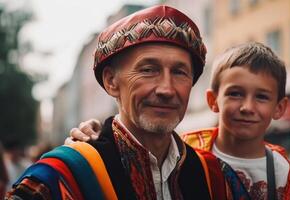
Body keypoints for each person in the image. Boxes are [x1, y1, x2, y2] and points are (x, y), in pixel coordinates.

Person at [6, 5, 249, 200]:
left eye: (180, 72)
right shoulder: (63, 175)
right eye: (148, 70)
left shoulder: (217, 176)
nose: (166, 89)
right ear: (112, 81)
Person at [71, 42, 290, 199]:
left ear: (280, 108)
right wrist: (94, 146)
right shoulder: (182, 151)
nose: (247, 107)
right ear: (213, 101)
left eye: (262, 97)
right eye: (235, 94)